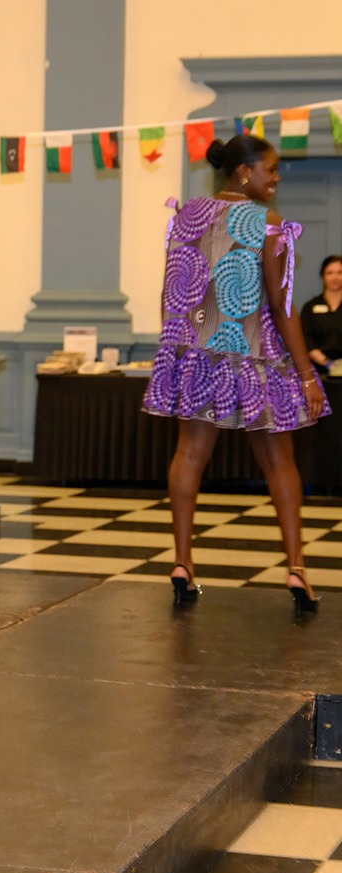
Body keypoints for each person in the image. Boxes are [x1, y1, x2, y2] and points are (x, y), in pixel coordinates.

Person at [143, 133, 328, 611]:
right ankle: (296, 570)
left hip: (196, 352)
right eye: (271, 169)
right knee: (278, 463)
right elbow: (283, 308)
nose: (276, 177)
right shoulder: (267, 224)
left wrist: (180, 348)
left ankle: (183, 561)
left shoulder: (185, 215)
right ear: (245, 171)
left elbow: (172, 292)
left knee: (189, 457)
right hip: (252, 355)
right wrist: (307, 376)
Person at [301, 255, 342, 372]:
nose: (335, 277)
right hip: (317, 372)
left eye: (340, 272)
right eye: (330, 273)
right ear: (323, 276)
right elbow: (304, 337)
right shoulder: (310, 307)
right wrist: (326, 362)